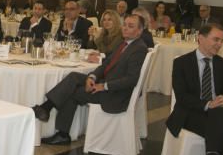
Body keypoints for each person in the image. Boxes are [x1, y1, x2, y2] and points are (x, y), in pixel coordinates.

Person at [32, 14, 149, 145]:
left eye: (131, 26)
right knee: (73, 76)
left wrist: (103, 86)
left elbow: (131, 79)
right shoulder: (125, 44)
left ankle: (61, 131)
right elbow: (106, 64)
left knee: (72, 92)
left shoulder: (138, 49)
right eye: (125, 24)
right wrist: (91, 77)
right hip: (107, 84)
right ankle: (47, 109)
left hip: (115, 95)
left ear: (139, 31)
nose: (125, 28)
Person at [165, 23, 223, 155]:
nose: (219, 44)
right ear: (201, 38)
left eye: (222, 40)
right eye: (216, 39)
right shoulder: (182, 63)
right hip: (190, 113)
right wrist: (208, 104)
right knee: (220, 120)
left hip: (216, 113)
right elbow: (182, 97)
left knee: (219, 113)